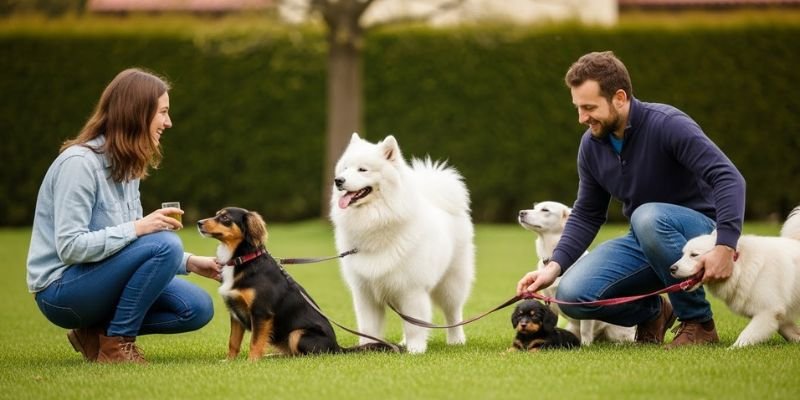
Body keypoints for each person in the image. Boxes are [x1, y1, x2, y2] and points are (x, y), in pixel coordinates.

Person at [516, 51, 745, 349]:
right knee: (571, 295)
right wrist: (552, 268)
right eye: (578, 108)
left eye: (589, 107)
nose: (582, 118)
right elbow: (587, 213)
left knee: (646, 217)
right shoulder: (591, 145)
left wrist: (725, 245)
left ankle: (698, 322)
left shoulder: (668, 124)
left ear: (620, 98)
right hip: (645, 238)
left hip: (701, 233)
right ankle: (655, 311)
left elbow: (729, 178)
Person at [26, 68, 221, 363]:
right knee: (165, 242)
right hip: (61, 292)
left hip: (98, 279)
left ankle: (93, 334)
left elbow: (133, 250)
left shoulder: (127, 168)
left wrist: (192, 263)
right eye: (163, 112)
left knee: (196, 307)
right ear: (137, 114)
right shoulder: (79, 165)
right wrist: (139, 227)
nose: (168, 122)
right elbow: (70, 247)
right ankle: (117, 344)